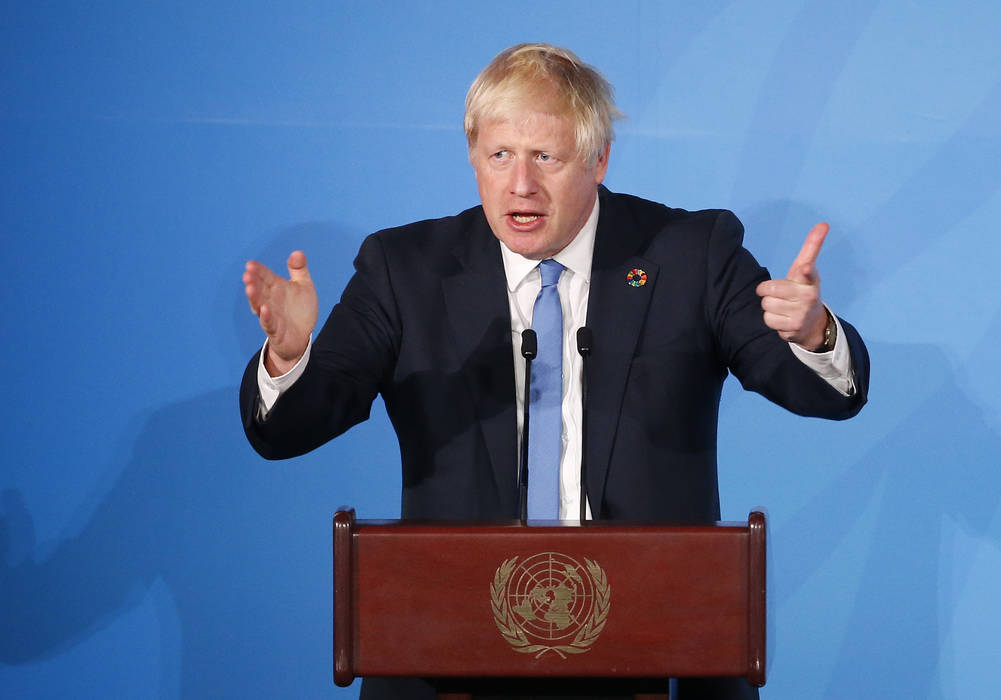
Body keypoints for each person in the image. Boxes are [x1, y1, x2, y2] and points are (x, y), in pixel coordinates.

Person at [240, 43, 869, 700]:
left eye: (547, 157)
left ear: (599, 159)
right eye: (500, 155)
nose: (521, 184)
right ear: (473, 156)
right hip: (450, 655)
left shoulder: (690, 254)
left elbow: (820, 392)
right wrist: (288, 359)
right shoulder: (406, 270)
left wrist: (814, 335)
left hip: (657, 654)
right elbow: (290, 429)